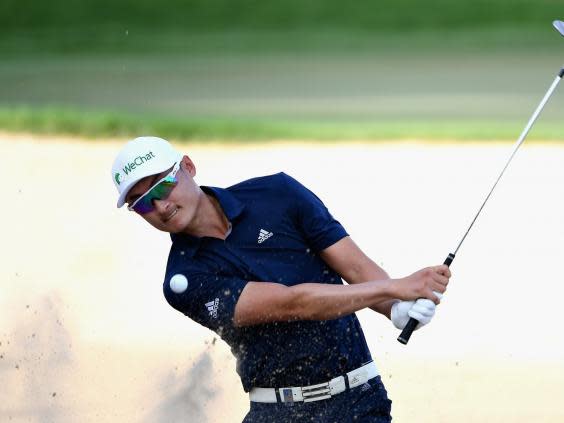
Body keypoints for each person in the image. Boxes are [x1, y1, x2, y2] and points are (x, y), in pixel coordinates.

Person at [111, 136, 451, 422]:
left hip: (361, 403)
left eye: (164, 185)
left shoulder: (279, 193)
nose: (161, 206)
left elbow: (357, 268)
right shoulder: (183, 279)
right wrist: (395, 287)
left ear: (187, 167)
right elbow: (293, 303)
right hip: (278, 413)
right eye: (142, 204)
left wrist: (395, 308)